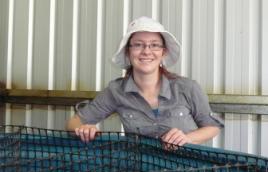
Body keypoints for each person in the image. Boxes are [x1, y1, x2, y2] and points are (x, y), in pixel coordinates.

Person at [66, 16, 223, 146]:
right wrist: (84, 129)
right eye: (138, 45)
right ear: (128, 52)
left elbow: (213, 127)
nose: (146, 51)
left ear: (163, 52)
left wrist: (187, 138)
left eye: (154, 45)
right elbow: (73, 124)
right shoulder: (116, 91)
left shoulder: (188, 88)